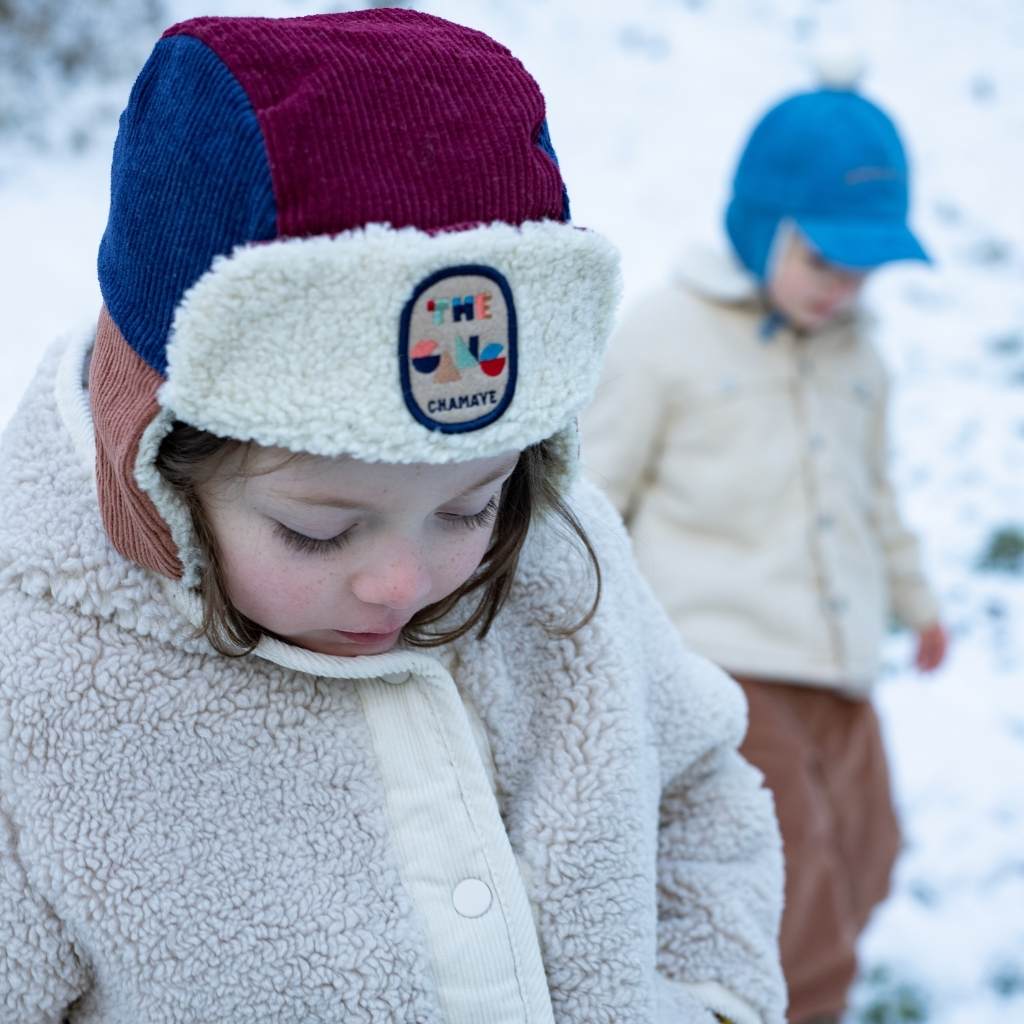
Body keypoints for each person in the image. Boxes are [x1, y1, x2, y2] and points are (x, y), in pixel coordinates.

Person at [0, 10, 786, 1024]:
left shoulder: (560, 561)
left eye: (469, 503)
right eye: (317, 531)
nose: (402, 581)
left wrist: (714, 998)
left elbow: (698, 795)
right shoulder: (37, 690)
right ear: (153, 458)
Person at [583, 70, 948, 1024]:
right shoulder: (666, 336)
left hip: (838, 665)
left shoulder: (857, 357)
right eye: (825, 261)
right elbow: (591, 496)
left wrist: (919, 602)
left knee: (871, 855)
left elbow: (874, 495)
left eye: (864, 271)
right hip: (721, 664)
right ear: (760, 227)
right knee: (798, 902)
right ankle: (785, 1004)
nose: (846, 289)